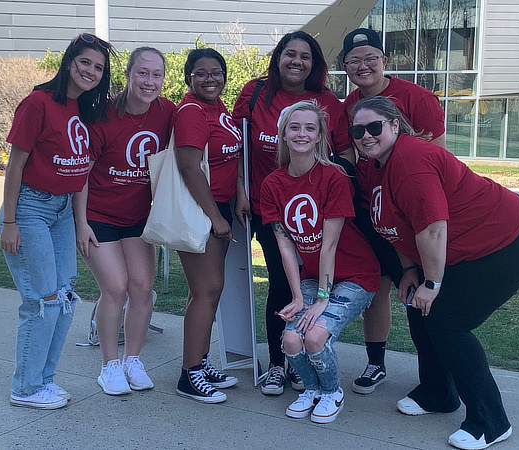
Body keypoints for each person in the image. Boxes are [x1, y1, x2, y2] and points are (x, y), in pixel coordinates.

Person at [350, 96, 519, 450]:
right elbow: (392, 225)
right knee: (417, 308)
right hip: (457, 248)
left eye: (374, 126)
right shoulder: (376, 166)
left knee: (447, 320)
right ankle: (438, 393)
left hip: (503, 239)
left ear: (394, 124)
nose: (365, 135)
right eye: (357, 129)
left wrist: (432, 283)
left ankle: (491, 421)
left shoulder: (410, 160)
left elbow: (433, 229)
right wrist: (409, 270)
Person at [232, 31, 354, 396]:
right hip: (268, 207)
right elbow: (237, 148)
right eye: (290, 54)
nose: (297, 61)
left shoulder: (328, 101)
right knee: (283, 284)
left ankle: (301, 358)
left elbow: (345, 153)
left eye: (306, 56)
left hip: (317, 214)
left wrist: (327, 185)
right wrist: (241, 192)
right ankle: (277, 363)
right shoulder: (255, 92)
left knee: (310, 282)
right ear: (278, 57)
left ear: (314, 63)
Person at [0, 33, 112, 410]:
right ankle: (26, 388)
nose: (91, 71)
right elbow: (15, 165)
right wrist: (10, 222)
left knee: (64, 299)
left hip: (63, 211)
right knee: (42, 299)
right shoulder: (38, 103)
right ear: (68, 63)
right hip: (29, 208)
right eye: (85, 63)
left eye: (98, 67)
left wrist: (81, 223)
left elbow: (80, 172)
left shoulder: (85, 110)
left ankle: (43, 380)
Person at [340, 27, 448, 395]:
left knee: (424, 290)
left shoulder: (416, 98)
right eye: (354, 61)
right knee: (380, 287)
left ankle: (436, 379)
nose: (363, 65)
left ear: (385, 61)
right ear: (345, 67)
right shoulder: (348, 105)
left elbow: (441, 160)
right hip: (375, 213)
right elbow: (351, 156)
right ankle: (376, 363)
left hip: (415, 214)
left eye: (371, 58)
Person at [259, 100, 380, 424]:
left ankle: (331, 392)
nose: (301, 133)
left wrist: (320, 301)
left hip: (356, 275)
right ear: (284, 135)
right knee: (290, 338)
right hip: (314, 275)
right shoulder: (272, 184)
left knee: (313, 336)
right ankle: (310, 389)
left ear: (319, 136)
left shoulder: (334, 177)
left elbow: (329, 245)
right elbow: (286, 247)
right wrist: (299, 297)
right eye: (294, 127)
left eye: (309, 128)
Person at [73, 47, 175, 395]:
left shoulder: (166, 113)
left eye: (156, 74)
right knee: (115, 287)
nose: (149, 81)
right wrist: (80, 223)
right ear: (128, 75)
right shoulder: (104, 116)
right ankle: (109, 365)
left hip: (137, 217)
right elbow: (81, 174)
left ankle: (133, 359)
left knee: (143, 288)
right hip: (98, 215)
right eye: (142, 73)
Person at [173, 48, 244, 404]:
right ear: (189, 78)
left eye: (216, 72)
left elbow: (232, 158)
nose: (210, 79)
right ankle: (189, 375)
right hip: (201, 210)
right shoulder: (191, 112)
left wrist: (237, 198)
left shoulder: (220, 111)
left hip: (220, 207)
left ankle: (199, 362)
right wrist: (215, 217)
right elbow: (189, 168)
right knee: (208, 289)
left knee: (207, 290)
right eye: (200, 73)